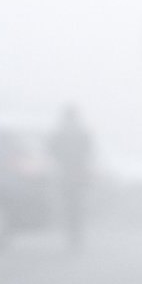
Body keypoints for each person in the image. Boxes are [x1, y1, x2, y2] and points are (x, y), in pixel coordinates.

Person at [49, 105, 94, 249]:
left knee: (68, 205)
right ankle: (76, 237)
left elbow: (52, 149)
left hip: (65, 173)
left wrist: (61, 161)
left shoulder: (60, 132)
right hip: (78, 172)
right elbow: (89, 150)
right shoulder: (81, 132)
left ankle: (71, 237)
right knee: (77, 205)